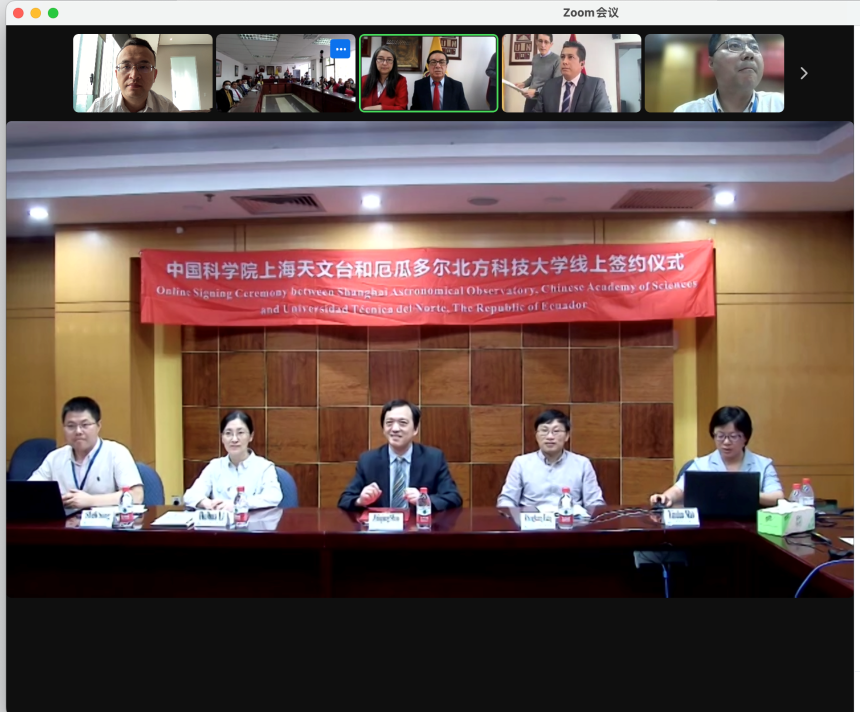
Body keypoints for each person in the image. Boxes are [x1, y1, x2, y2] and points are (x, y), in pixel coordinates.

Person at [338, 400, 462, 511]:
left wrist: (424, 500)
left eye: (402, 423)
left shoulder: (433, 458)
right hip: (382, 528)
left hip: (418, 527)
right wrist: (360, 500)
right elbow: (345, 499)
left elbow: (453, 498)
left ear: (415, 429)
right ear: (383, 428)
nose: (395, 428)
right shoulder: (368, 460)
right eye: (389, 423)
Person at [651, 406, 785, 508]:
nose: (726, 442)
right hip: (709, 528)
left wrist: (745, 494)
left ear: (745, 437)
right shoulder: (701, 464)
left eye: (733, 436)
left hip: (751, 528)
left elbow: (777, 497)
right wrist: (665, 497)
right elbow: (679, 489)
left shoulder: (763, 464)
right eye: (720, 436)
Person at [28, 396, 144, 509]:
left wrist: (91, 501)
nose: (78, 431)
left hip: (105, 521)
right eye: (71, 426)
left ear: (98, 426)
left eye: (85, 425)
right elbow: (29, 492)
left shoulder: (116, 453)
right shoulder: (55, 458)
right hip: (66, 520)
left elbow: (136, 495)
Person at [497, 410, 605, 509]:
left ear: (567, 436)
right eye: (544, 431)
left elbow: (594, 501)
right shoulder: (521, 463)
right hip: (532, 522)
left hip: (571, 521)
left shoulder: (582, 464)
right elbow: (507, 499)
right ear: (536, 435)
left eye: (556, 431)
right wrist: (512, 516)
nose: (550, 437)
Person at [183, 411, 282, 510]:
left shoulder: (264, 467)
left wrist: (238, 504)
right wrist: (207, 503)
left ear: (251, 436)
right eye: (228, 433)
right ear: (222, 438)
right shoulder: (215, 466)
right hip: (220, 520)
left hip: (254, 519)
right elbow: (190, 495)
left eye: (240, 433)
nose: (234, 439)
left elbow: (274, 496)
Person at [674, 34, 784, 113]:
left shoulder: (779, 104)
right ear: (711, 63)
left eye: (754, 47)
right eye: (734, 45)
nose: (749, 53)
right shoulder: (686, 112)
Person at [87, 37, 180, 113]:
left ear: (154, 75)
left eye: (143, 67)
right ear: (116, 74)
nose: (134, 75)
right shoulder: (98, 108)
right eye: (126, 67)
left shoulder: (168, 109)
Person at [533, 41, 611, 113]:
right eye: (562, 57)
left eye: (570, 57)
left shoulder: (595, 85)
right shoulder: (549, 85)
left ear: (582, 64)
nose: (564, 61)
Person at [515, 34, 560, 112]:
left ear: (551, 44)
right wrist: (524, 84)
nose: (543, 45)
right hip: (530, 98)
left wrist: (536, 92)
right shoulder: (535, 58)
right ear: (536, 42)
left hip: (545, 100)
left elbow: (555, 85)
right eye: (540, 41)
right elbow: (533, 76)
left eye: (546, 42)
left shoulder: (557, 59)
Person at [361, 44, 408, 111]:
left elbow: (401, 108)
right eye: (380, 59)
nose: (385, 63)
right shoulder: (363, 79)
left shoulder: (401, 80)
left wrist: (380, 108)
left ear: (393, 63)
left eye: (389, 59)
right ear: (375, 61)